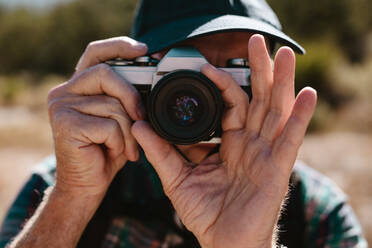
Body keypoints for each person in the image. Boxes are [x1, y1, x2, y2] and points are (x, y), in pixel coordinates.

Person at [0, 0, 367, 247]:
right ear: (130, 74)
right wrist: (72, 200)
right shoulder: (62, 185)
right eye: (187, 72)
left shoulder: (315, 211)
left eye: (237, 74)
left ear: (270, 80)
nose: (209, 97)